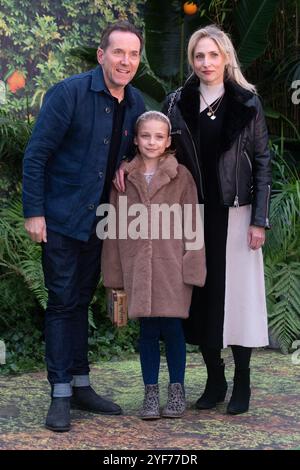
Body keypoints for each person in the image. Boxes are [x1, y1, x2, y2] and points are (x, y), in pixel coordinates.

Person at [22, 20, 145, 432]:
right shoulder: (70, 94)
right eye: (118, 52)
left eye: (133, 54)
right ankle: (59, 393)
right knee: (61, 302)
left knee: (79, 301)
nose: (125, 61)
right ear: (101, 55)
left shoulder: (136, 104)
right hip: (60, 218)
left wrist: (127, 164)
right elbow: (36, 155)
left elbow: (143, 154)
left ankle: (81, 384)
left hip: (100, 223)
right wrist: (34, 213)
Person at [162, 24, 271, 415]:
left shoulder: (247, 103)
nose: (206, 63)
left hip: (238, 215)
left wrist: (259, 219)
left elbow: (262, 163)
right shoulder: (178, 102)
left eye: (213, 54)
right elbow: (157, 148)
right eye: (198, 56)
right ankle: (215, 378)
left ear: (226, 57)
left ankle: (242, 380)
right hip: (193, 215)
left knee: (239, 301)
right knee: (203, 300)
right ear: (192, 61)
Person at [101, 111, 206, 419]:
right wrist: (114, 273)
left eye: (159, 136)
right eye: (145, 136)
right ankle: (150, 392)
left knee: (173, 328)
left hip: (172, 267)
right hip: (137, 269)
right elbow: (113, 228)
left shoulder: (181, 176)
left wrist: (193, 266)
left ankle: (177, 389)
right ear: (135, 139)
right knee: (147, 330)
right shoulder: (123, 179)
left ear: (168, 141)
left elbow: (193, 224)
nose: (151, 141)